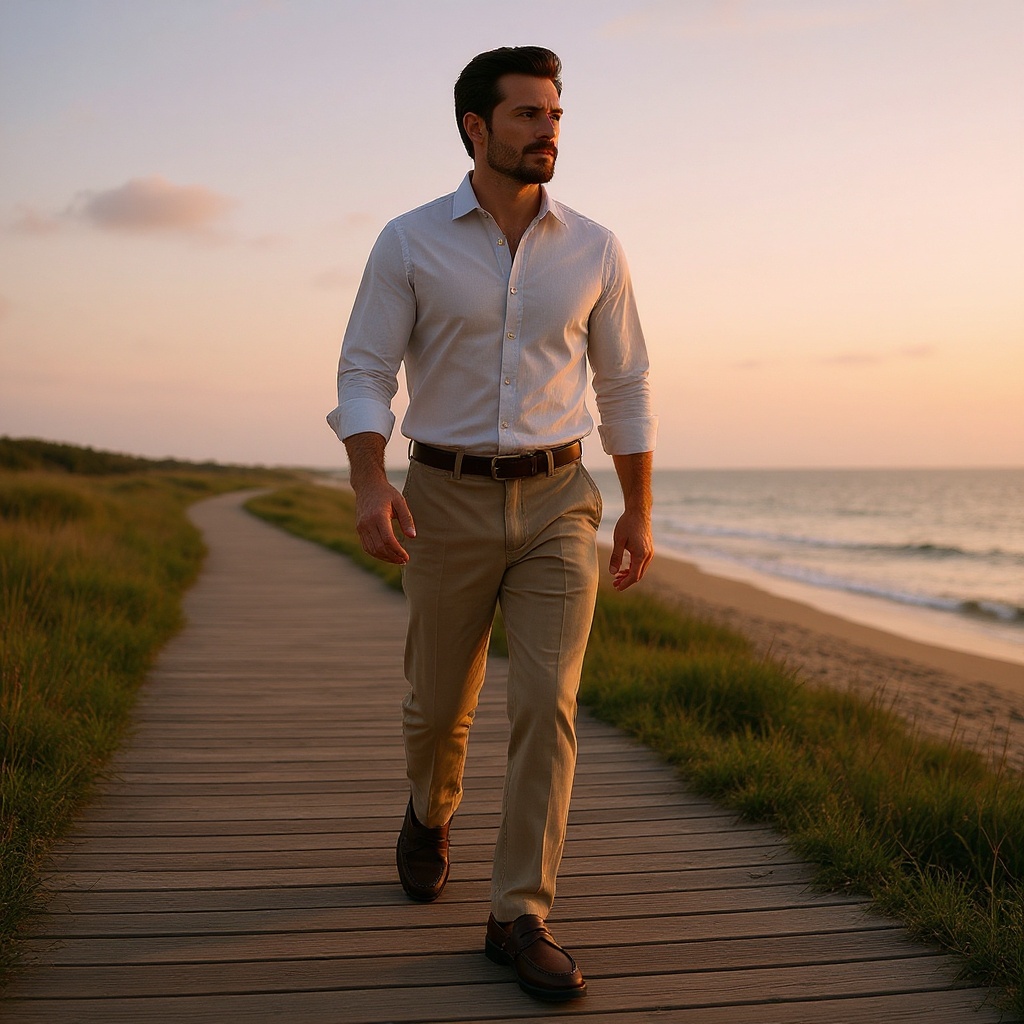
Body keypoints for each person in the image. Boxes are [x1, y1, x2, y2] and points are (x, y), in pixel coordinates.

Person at [327, 45, 656, 1002]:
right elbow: (363, 370)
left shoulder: (596, 247)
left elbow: (625, 382)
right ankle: (429, 813)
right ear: (476, 127)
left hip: (561, 497)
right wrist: (366, 482)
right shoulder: (408, 241)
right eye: (526, 114)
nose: (548, 129)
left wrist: (637, 508)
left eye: (555, 113)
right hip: (444, 498)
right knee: (438, 707)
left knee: (548, 703)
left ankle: (519, 914)